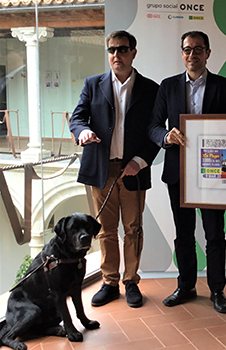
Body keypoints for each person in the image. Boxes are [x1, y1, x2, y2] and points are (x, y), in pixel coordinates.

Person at [148, 31, 226, 313]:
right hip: (178, 172)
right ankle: (186, 286)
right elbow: (152, 127)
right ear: (182, 53)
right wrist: (166, 136)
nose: (192, 55)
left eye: (198, 49)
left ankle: (217, 290)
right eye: (187, 50)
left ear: (208, 53)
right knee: (183, 234)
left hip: (214, 174)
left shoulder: (225, 86)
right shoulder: (168, 87)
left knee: (214, 234)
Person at [69, 30, 160, 308]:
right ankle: (110, 282)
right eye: (111, 50)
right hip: (101, 169)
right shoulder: (92, 84)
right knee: (106, 230)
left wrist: (140, 161)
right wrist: (82, 131)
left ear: (133, 52)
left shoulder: (150, 88)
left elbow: (154, 132)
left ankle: (131, 282)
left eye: (122, 49)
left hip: (133, 169)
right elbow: (77, 117)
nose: (116, 55)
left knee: (133, 228)